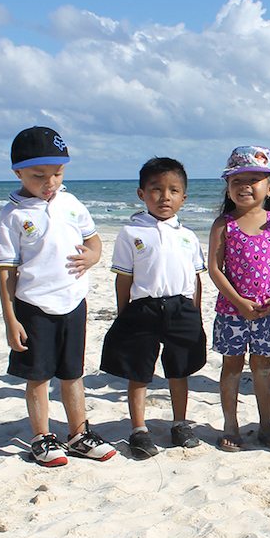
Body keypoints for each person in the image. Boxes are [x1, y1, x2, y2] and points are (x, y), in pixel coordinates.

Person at [0, 126, 117, 467]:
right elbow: (7, 271)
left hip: (73, 302)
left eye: (57, 173)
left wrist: (92, 257)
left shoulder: (71, 203)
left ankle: (78, 433)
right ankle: (42, 436)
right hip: (34, 306)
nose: (50, 182)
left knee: (72, 373)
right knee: (38, 376)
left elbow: (94, 242)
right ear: (18, 172)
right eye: (38, 175)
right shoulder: (13, 215)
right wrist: (11, 319)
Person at [99, 157, 207, 459]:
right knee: (139, 370)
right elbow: (124, 279)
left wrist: (195, 313)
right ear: (141, 194)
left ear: (183, 198)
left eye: (173, 190)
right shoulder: (131, 233)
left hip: (181, 308)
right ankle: (139, 429)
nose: (165, 197)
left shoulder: (187, 236)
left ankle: (180, 423)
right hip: (142, 308)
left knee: (179, 369)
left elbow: (195, 279)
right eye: (156, 189)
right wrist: (124, 314)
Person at [207, 146, 270, 452]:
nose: (244, 186)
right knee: (232, 366)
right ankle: (230, 425)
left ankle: (266, 424)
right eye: (236, 180)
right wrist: (238, 302)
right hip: (232, 312)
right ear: (228, 187)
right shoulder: (223, 224)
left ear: (269, 187)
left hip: (268, 311)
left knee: (262, 368)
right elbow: (215, 269)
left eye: (253, 180)